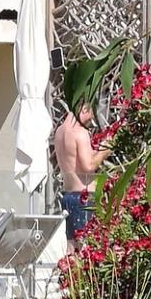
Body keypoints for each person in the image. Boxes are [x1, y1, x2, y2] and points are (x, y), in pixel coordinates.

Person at [52, 98, 106, 243]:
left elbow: (74, 160)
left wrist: (96, 151)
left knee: (72, 246)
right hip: (84, 198)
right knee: (87, 248)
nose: (92, 119)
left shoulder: (60, 131)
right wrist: (106, 149)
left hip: (68, 195)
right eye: (92, 114)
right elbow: (89, 165)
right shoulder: (80, 132)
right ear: (84, 109)